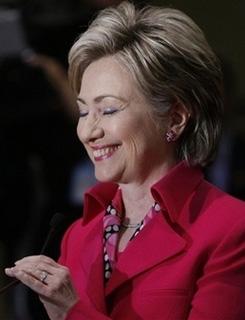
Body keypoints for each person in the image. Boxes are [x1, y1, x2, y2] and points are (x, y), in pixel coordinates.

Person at [4, 1, 245, 319]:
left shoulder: (231, 228)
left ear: (174, 117)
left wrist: (74, 313)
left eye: (108, 109)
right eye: (83, 111)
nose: (88, 131)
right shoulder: (77, 235)